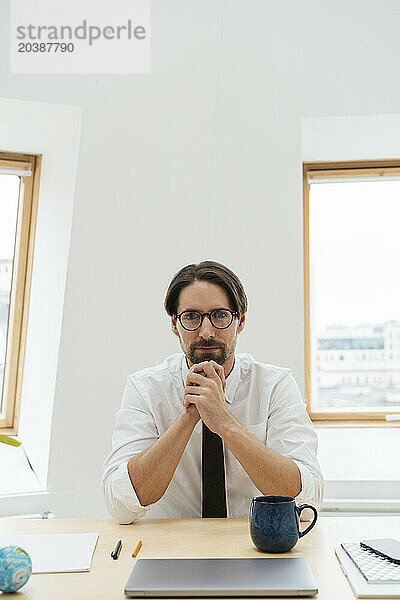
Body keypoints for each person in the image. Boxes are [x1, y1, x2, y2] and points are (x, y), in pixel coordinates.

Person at [102, 261, 323, 524]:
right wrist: (189, 416)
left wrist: (225, 423)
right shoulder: (145, 388)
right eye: (192, 317)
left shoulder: (275, 385)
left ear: (239, 322)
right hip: (171, 552)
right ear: (175, 325)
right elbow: (121, 507)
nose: (206, 332)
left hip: (255, 550)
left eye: (219, 315)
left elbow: (307, 501)